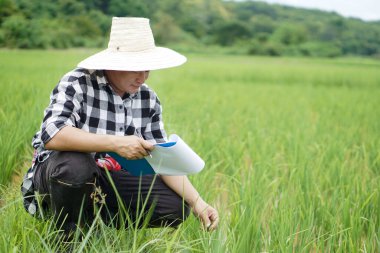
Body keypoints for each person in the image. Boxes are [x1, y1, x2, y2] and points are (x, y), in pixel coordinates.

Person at [21, 17, 218, 236]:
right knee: (75, 166)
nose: (142, 78)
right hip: (58, 173)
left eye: (147, 70)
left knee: (175, 207)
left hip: (107, 175)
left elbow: (162, 159)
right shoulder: (77, 82)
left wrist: (199, 203)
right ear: (114, 63)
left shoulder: (147, 98)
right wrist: (116, 143)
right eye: (136, 69)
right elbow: (53, 134)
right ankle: (66, 238)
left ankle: (91, 224)